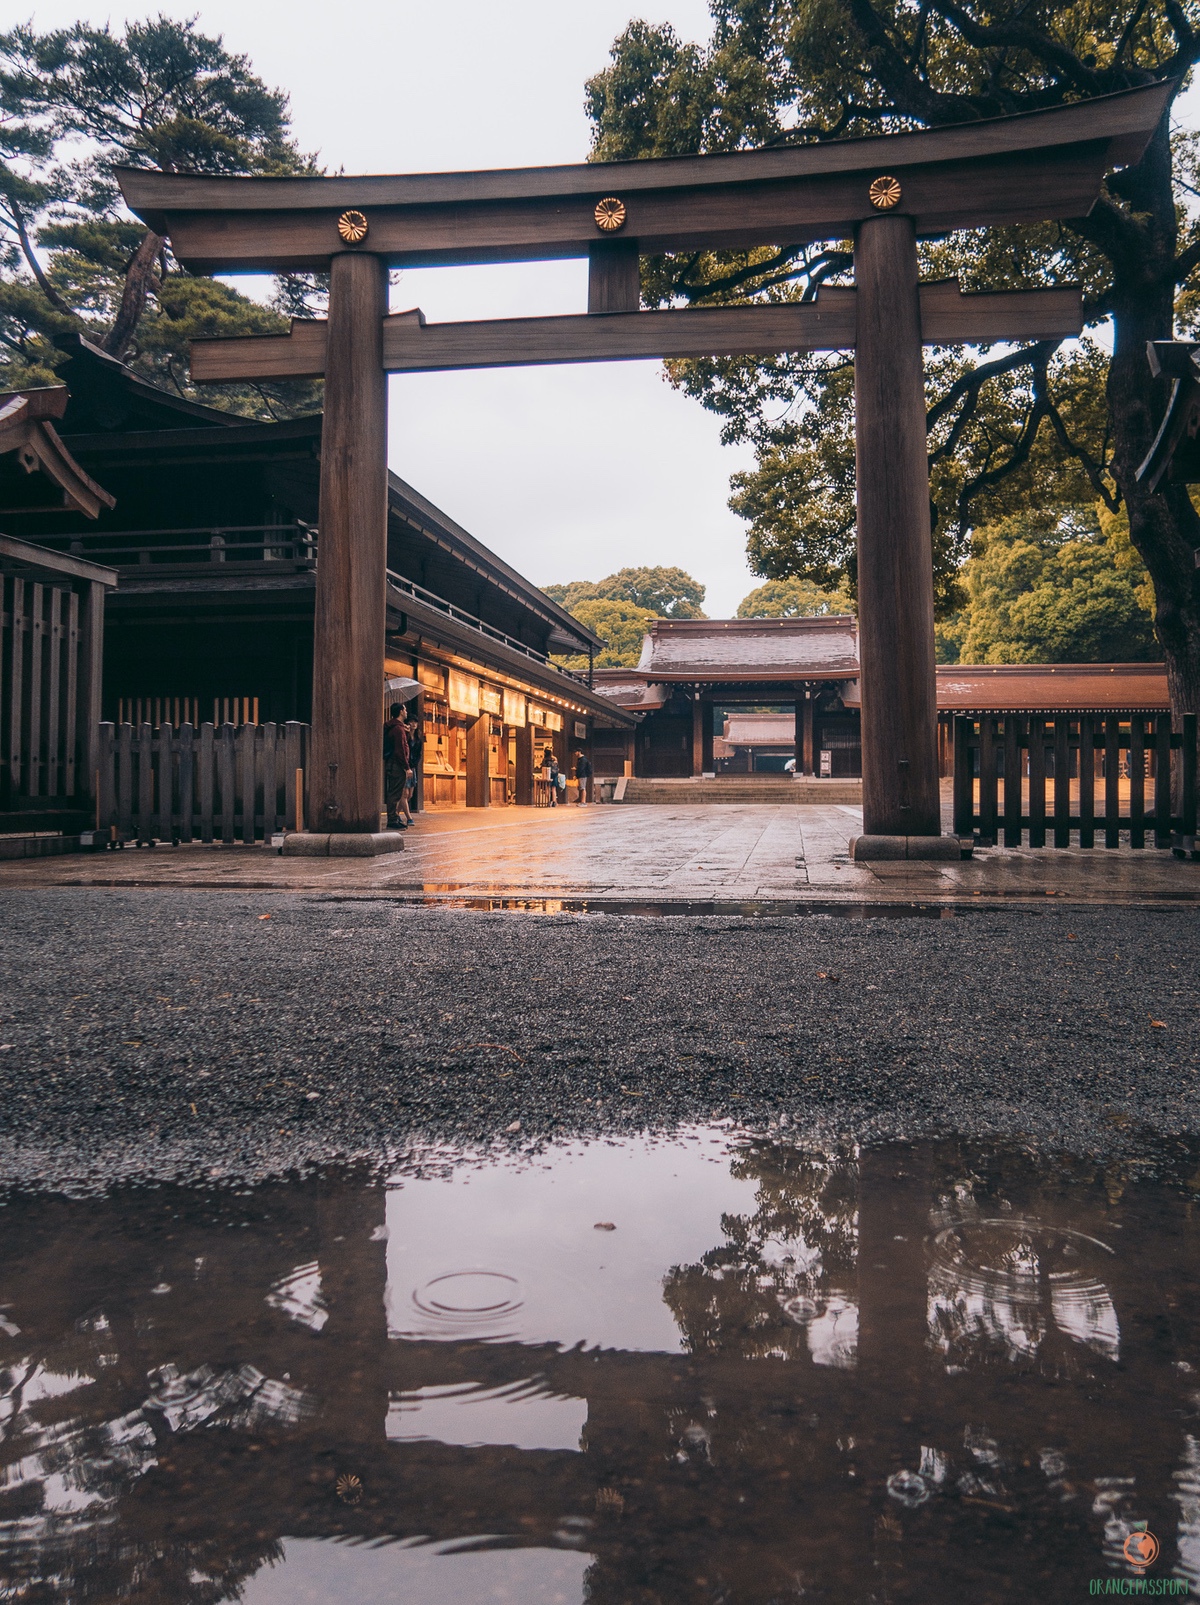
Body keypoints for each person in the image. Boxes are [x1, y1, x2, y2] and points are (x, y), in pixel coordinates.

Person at [383, 703, 411, 829]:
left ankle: (394, 817)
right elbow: (400, 750)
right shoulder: (398, 729)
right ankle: (392, 820)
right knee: (395, 792)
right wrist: (407, 767)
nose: (406, 712)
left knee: (396, 792)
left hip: (394, 763)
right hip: (396, 764)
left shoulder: (397, 727)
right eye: (405, 709)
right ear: (401, 711)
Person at [405, 712, 423, 820]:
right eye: (411, 722)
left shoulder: (418, 739)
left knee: (410, 794)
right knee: (405, 793)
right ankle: (409, 817)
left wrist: (414, 764)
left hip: (413, 767)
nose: (414, 724)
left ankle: (396, 813)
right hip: (405, 766)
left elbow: (419, 754)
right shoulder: (405, 736)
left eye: (415, 722)